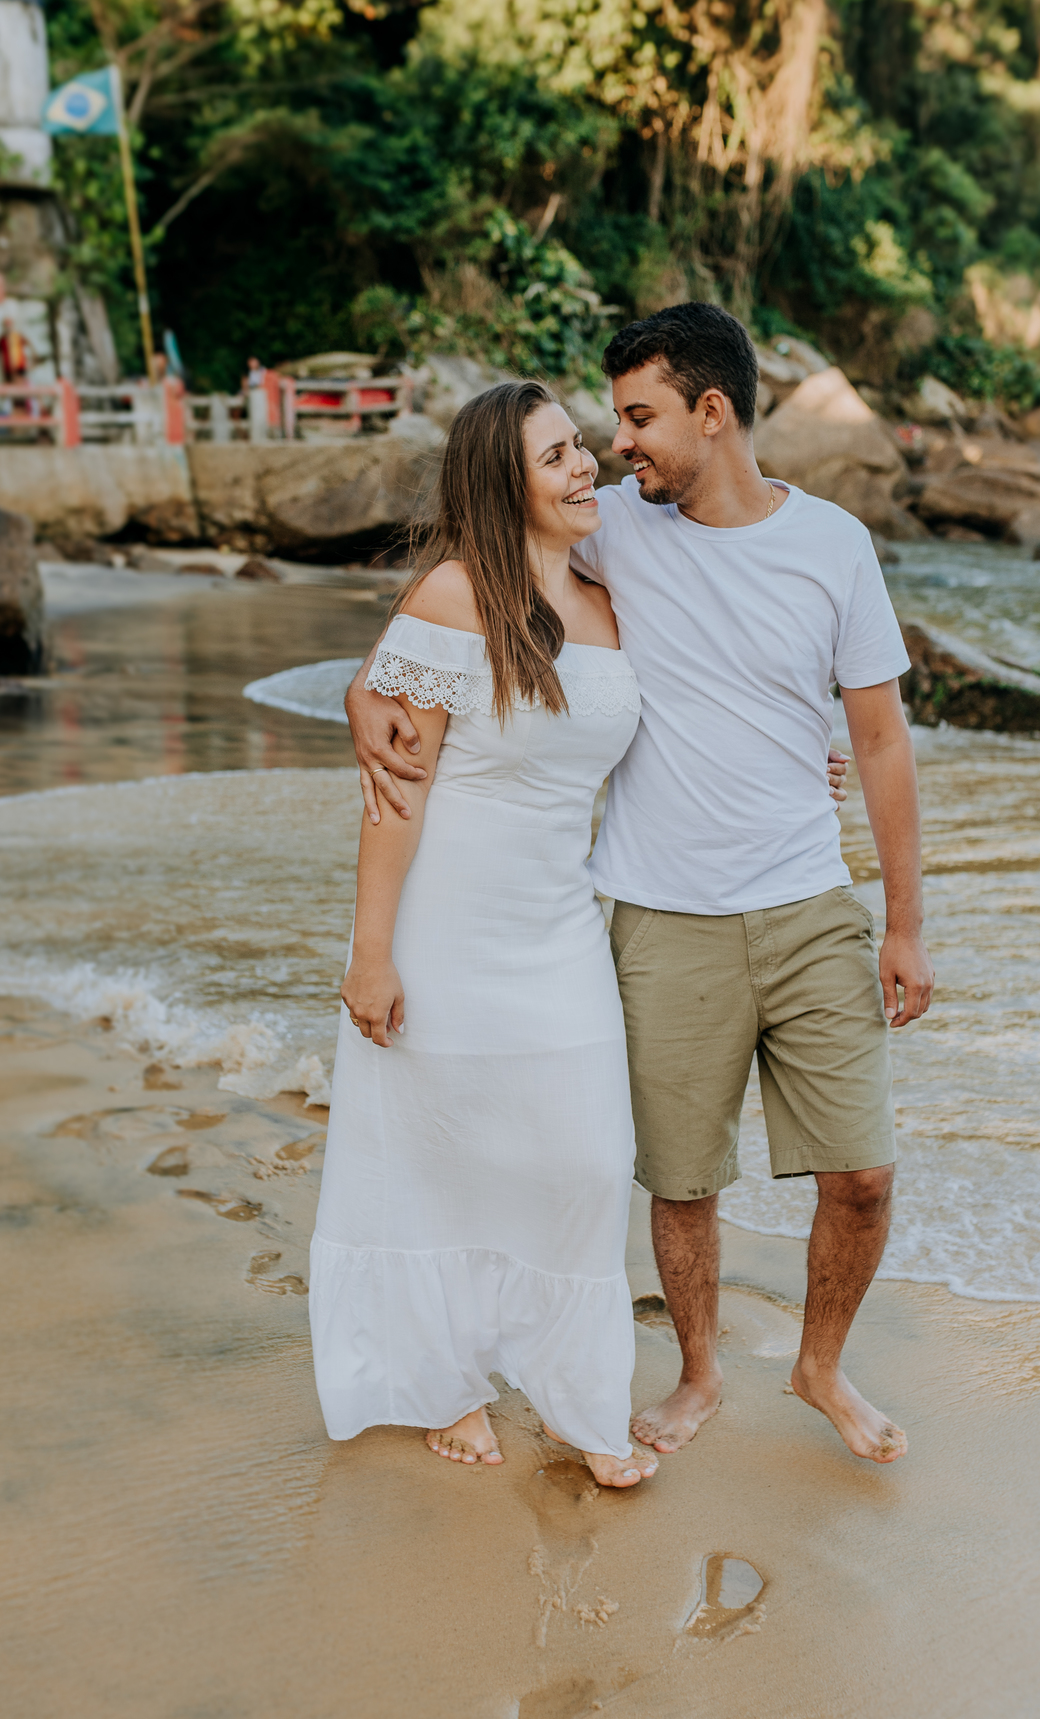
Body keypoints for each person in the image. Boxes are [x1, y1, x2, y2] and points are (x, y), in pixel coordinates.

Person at [347, 303, 934, 1467]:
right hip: (658, 913)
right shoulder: (608, 524)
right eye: (607, 426)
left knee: (863, 1172)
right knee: (678, 1180)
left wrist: (906, 923)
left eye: (638, 418)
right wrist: (363, 700)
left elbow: (878, 742)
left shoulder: (833, 547)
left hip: (811, 902)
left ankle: (820, 1367)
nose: (618, 447)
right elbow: (459, 597)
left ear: (712, 414)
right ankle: (701, 1375)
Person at [309, 379, 659, 1488]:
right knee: (438, 1151)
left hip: (561, 926)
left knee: (588, 1162)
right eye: (554, 457)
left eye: (577, 447)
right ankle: (446, 1379)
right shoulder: (457, 596)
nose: (582, 466)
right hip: (447, 923)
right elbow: (396, 789)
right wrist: (372, 953)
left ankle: (577, 1397)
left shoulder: (610, 596)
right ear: (502, 485)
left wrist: (811, 756)